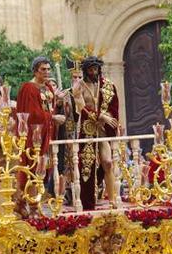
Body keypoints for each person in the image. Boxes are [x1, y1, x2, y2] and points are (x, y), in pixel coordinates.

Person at [15, 56, 64, 216]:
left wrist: (59, 104)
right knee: (33, 168)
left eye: (49, 69)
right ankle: (31, 205)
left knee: (42, 170)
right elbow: (33, 115)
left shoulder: (48, 87)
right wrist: (52, 118)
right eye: (43, 69)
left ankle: (24, 203)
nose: (47, 72)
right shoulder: (29, 88)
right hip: (33, 135)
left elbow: (48, 108)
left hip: (47, 133)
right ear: (35, 71)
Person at [71, 55, 119, 210]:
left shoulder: (108, 86)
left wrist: (107, 118)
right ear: (86, 71)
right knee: (87, 165)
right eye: (91, 70)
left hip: (103, 129)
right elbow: (81, 107)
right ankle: (88, 201)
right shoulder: (79, 87)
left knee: (108, 162)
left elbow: (113, 107)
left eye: (96, 69)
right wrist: (99, 116)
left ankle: (112, 199)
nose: (94, 72)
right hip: (88, 129)